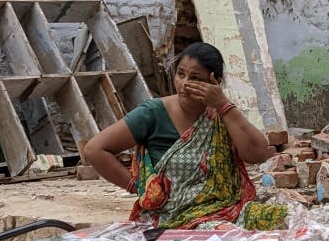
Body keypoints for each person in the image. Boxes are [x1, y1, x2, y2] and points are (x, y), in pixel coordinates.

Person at [84, 42, 286, 230]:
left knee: (285, 219)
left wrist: (224, 105)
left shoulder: (221, 115)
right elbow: (95, 150)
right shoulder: (153, 113)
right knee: (223, 234)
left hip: (224, 209)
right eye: (180, 74)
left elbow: (258, 153)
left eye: (195, 79)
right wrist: (139, 188)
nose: (184, 84)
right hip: (172, 217)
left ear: (214, 82)